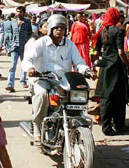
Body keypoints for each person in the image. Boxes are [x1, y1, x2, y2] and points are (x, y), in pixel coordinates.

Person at [22, 14, 89, 144]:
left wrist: (86, 70)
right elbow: (27, 60)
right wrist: (30, 69)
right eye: (57, 28)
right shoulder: (41, 43)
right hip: (43, 79)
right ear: (51, 29)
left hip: (63, 81)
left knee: (77, 98)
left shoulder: (69, 44)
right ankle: (37, 127)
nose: (60, 30)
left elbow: (79, 61)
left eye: (62, 28)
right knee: (41, 95)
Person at [93, 8, 129, 136]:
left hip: (105, 67)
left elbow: (97, 52)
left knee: (106, 97)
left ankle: (106, 127)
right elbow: (121, 52)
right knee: (119, 97)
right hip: (116, 67)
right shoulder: (119, 30)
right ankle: (119, 125)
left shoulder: (101, 32)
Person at [3, 6, 32, 92]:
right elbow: (9, 36)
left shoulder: (27, 22)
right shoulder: (13, 22)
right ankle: (10, 84)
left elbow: (30, 33)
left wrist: (28, 42)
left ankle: (23, 81)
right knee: (13, 66)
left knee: (24, 65)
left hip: (24, 47)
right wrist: (8, 48)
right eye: (17, 11)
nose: (18, 13)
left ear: (23, 13)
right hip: (14, 47)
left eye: (20, 11)